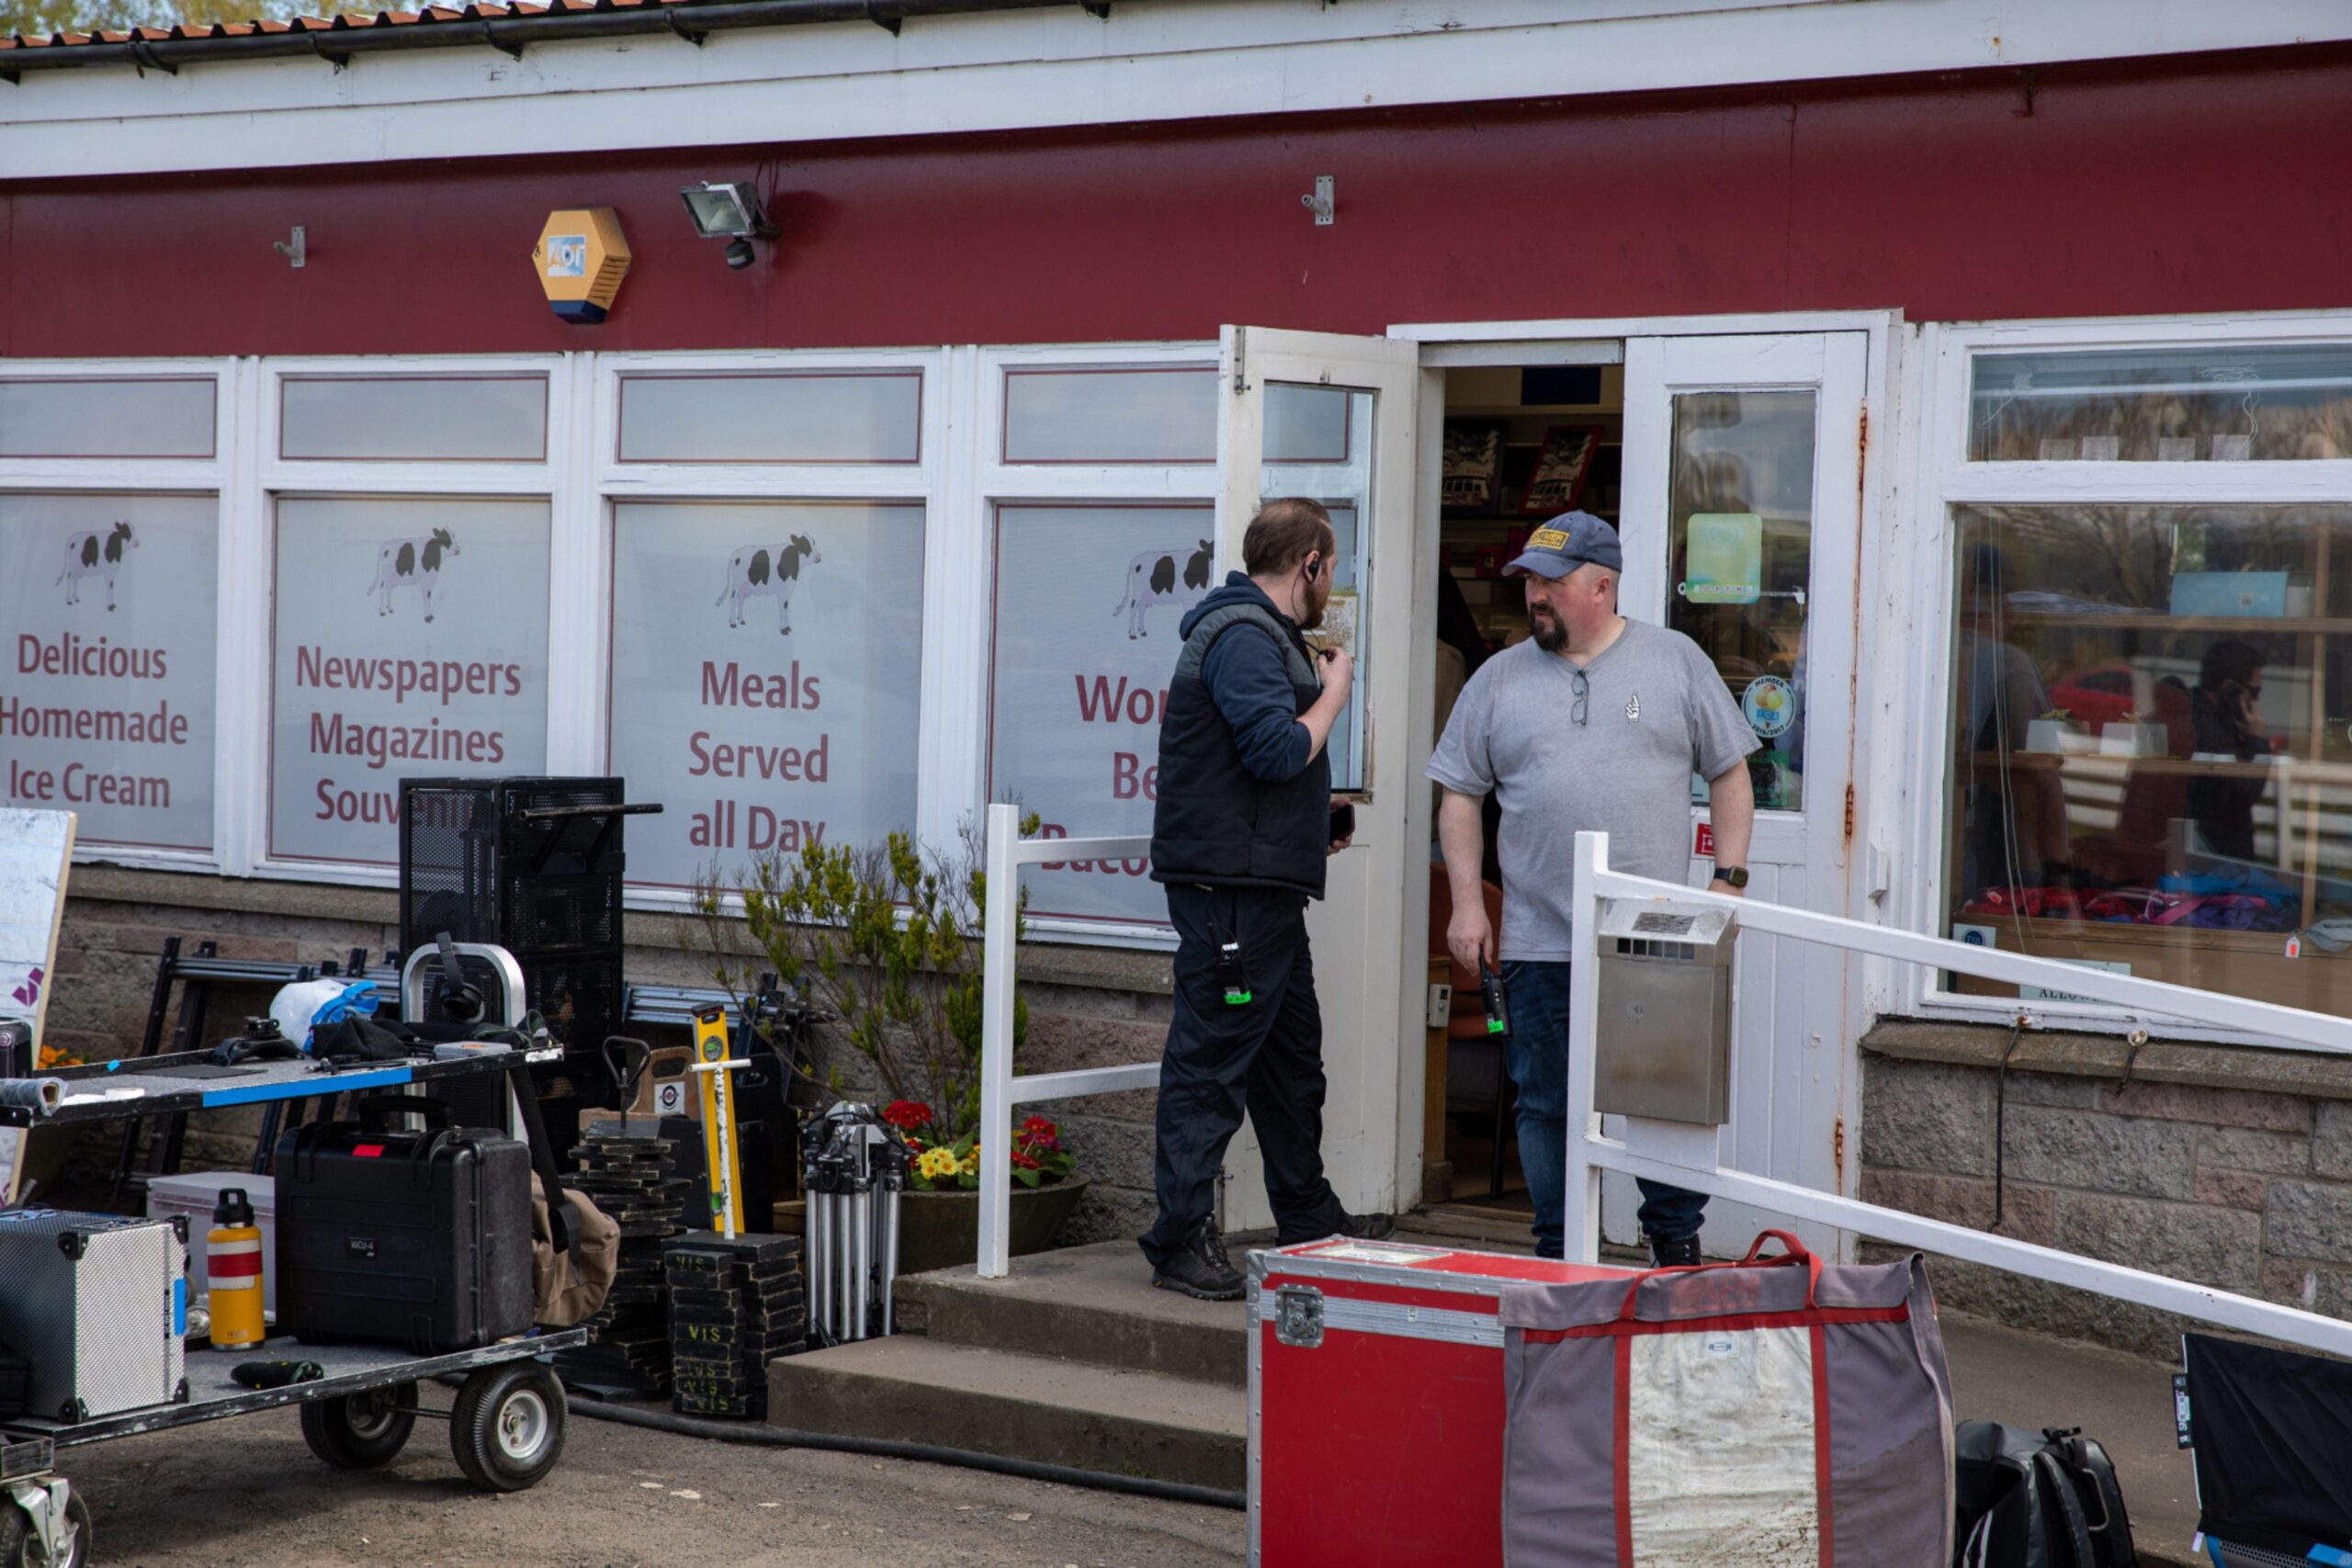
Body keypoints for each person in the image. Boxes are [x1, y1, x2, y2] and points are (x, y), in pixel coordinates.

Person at [1428, 511, 1758, 1266]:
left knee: (1664, 1101)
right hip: (1540, 936)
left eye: (1550, 582)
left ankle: (1674, 1246)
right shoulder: (1498, 677)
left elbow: (1731, 770)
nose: (1534, 595)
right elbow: (1458, 794)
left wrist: (1726, 882)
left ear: (1601, 586)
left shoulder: (1674, 661)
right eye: (1529, 581)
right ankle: (1558, 1249)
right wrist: (1472, 906)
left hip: (1656, 931)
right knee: (1546, 1102)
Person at [1140, 497, 1394, 1301]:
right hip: (1233, 899)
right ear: (1309, 565)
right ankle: (1178, 1238)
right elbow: (1277, 746)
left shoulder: (1255, 633)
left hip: (1261, 890)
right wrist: (1333, 695)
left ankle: (1308, 1217)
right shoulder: (1246, 637)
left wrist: (1312, 822)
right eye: (1331, 566)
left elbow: (1240, 772)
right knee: (1211, 1066)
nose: (1332, 581)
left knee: (1290, 1065)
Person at [2185, 638, 2272, 862]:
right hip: (2218, 861)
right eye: (2254, 691)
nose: (2256, 700)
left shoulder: (2209, 718)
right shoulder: (2209, 730)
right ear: (2229, 688)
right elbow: (2246, 791)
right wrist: (2257, 739)